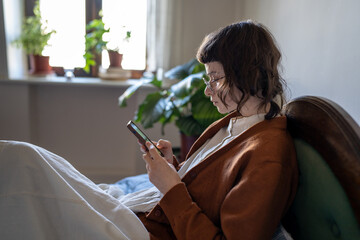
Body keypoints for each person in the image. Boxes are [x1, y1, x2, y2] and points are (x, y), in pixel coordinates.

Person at [0, 20, 298, 240]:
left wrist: (171, 188)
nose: (208, 91)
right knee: (27, 160)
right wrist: (174, 167)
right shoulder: (238, 122)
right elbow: (208, 187)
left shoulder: (268, 156)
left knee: (26, 165)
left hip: (149, 232)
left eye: (215, 78)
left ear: (245, 71)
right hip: (148, 212)